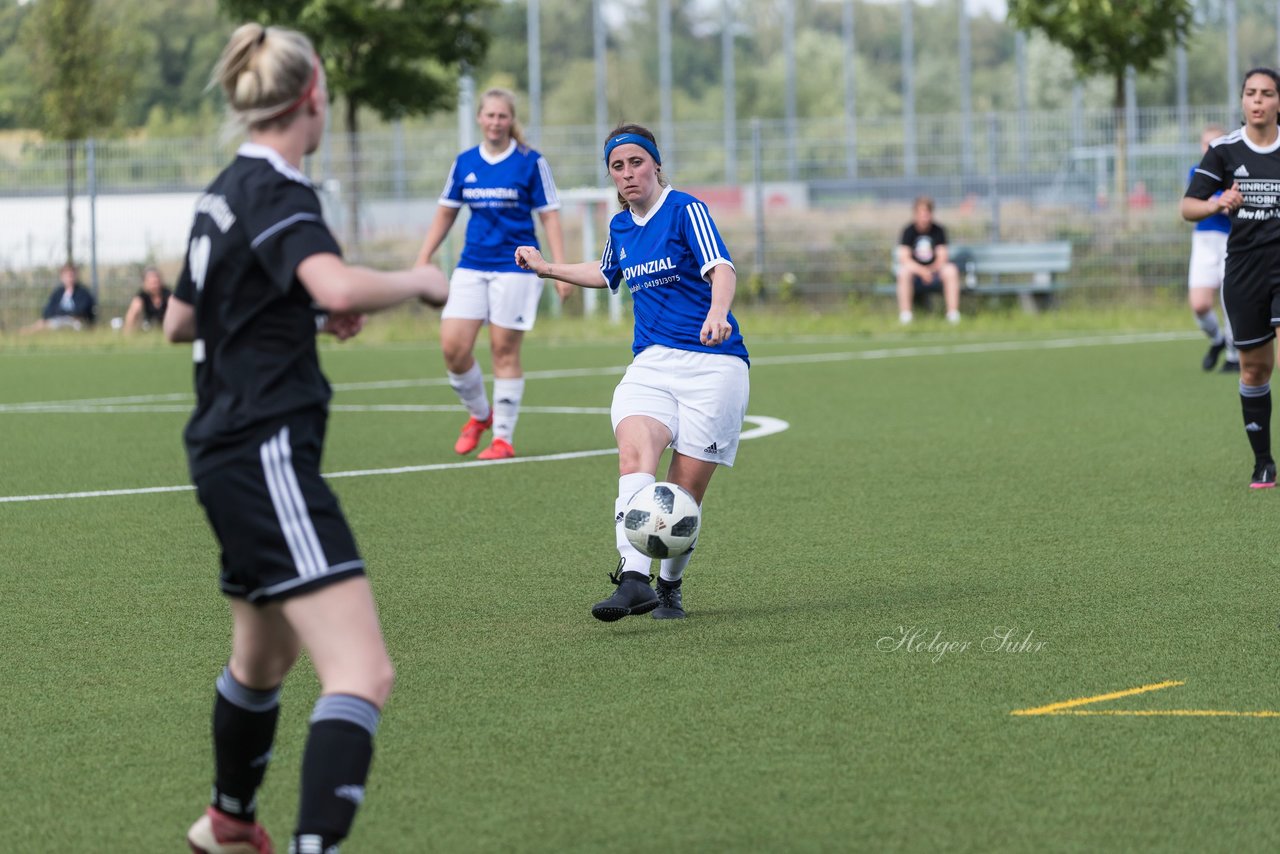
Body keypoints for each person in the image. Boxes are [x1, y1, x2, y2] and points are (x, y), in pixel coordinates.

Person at [164, 23, 447, 854]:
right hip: (265, 451)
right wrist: (417, 281)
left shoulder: (222, 189)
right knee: (363, 673)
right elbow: (333, 276)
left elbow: (184, 318)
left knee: (262, 658)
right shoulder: (284, 191)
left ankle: (228, 820)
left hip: (221, 449)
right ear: (313, 97)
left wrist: (303, 310)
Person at [515, 123, 749, 622]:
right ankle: (634, 579)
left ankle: (669, 586)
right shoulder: (620, 226)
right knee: (633, 455)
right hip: (651, 364)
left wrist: (717, 311)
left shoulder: (686, 209)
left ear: (656, 164)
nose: (627, 174)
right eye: (617, 167)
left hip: (714, 366)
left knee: (683, 494)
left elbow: (722, 267)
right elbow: (606, 273)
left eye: (635, 162)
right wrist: (548, 268)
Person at [413, 87, 569, 461]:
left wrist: (560, 270)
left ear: (511, 120)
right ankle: (481, 415)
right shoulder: (465, 162)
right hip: (471, 265)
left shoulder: (531, 162)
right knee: (453, 348)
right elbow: (446, 211)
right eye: (490, 115)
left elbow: (549, 215)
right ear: (479, 119)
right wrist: (423, 258)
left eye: (503, 116)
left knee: (504, 350)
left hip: (516, 269)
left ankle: (502, 439)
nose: (496, 122)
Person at [1183, 67, 1280, 489]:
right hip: (1243, 273)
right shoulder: (1223, 151)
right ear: (1242, 101)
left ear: (1279, 102)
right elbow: (1188, 206)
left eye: (1267, 94)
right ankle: (1264, 462)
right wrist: (1217, 201)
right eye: (1250, 93)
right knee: (1255, 371)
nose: (1257, 101)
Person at [1186, 124, 1240, 373]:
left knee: (1229, 299)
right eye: (1206, 144)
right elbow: (1193, 204)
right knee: (1199, 304)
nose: (1209, 149)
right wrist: (1218, 203)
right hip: (1204, 241)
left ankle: (1233, 354)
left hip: (1230, 240)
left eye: (1214, 144)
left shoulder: (1235, 172)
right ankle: (1217, 340)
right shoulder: (1197, 172)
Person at [896, 196, 961, 325]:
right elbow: (904, 258)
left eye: (927, 213)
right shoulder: (908, 231)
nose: (924, 217)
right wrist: (921, 271)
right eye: (921, 213)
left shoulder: (938, 231)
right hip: (915, 274)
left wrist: (930, 271)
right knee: (903, 272)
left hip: (935, 273)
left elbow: (942, 257)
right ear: (916, 214)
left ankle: (953, 314)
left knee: (951, 270)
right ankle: (906, 315)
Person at [36, 263, 96, 329]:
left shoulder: (83, 293)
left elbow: (80, 311)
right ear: (62, 277)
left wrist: (60, 313)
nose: (69, 278)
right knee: (41, 322)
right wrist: (62, 313)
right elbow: (47, 311)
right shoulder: (58, 293)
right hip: (57, 320)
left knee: (48, 325)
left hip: (75, 323)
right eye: (67, 275)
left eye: (71, 275)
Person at [122, 266, 172, 332]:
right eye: (152, 283)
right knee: (136, 305)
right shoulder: (142, 296)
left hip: (167, 326)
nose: (155, 286)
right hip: (147, 326)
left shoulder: (168, 294)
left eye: (156, 282)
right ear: (145, 283)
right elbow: (132, 313)